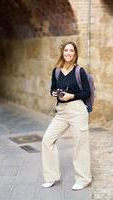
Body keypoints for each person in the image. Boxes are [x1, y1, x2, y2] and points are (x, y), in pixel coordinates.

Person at [42, 41, 92, 190]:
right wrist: (54, 93)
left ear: (75, 54)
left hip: (78, 111)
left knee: (80, 145)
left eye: (71, 51)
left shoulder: (79, 71)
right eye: (66, 50)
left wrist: (72, 96)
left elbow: (87, 92)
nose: (68, 53)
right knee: (47, 140)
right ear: (62, 52)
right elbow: (52, 89)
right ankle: (51, 177)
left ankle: (83, 179)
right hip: (62, 111)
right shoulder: (56, 71)